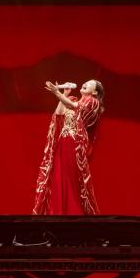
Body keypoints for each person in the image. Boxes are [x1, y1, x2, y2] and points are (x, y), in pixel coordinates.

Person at [32, 79, 105, 215]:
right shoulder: (71, 100)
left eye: (90, 84)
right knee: (57, 176)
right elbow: (59, 114)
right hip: (63, 142)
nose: (85, 84)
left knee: (70, 178)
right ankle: (58, 212)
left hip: (74, 143)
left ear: (95, 92)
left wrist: (56, 93)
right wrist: (64, 94)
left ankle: (73, 213)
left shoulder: (92, 102)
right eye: (86, 82)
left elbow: (74, 107)